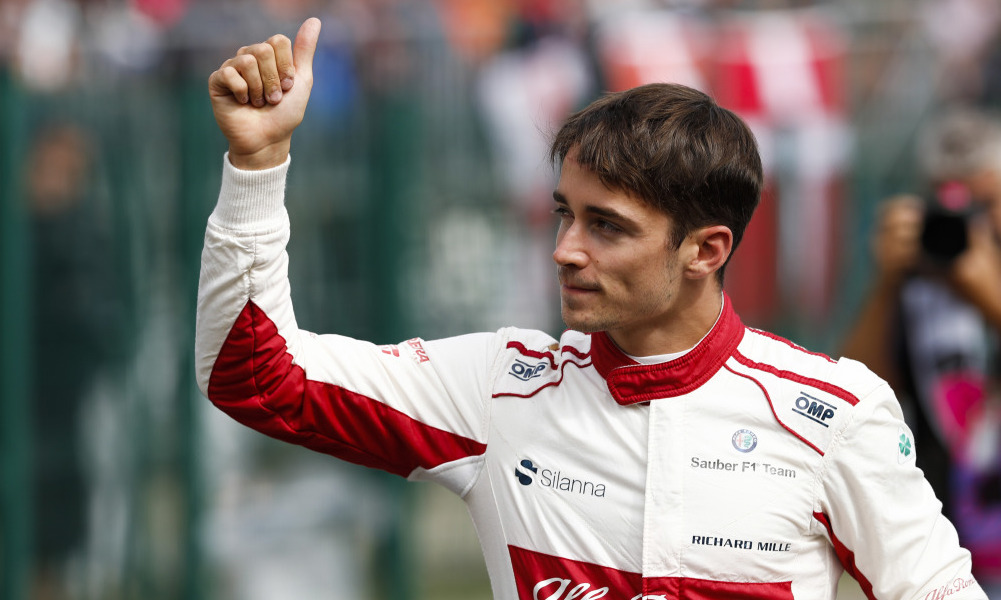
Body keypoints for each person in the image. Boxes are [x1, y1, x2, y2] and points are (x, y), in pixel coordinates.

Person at [195, 18, 987, 599]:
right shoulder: (498, 387)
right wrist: (257, 163)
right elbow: (253, 376)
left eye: (606, 226)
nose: (565, 249)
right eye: (563, 214)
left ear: (705, 250)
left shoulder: (836, 412)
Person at [841, 108, 1001, 595]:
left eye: (984, 203)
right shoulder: (916, 279)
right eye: (950, 204)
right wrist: (887, 282)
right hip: (944, 539)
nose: (968, 222)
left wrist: (987, 293)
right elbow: (854, 388)